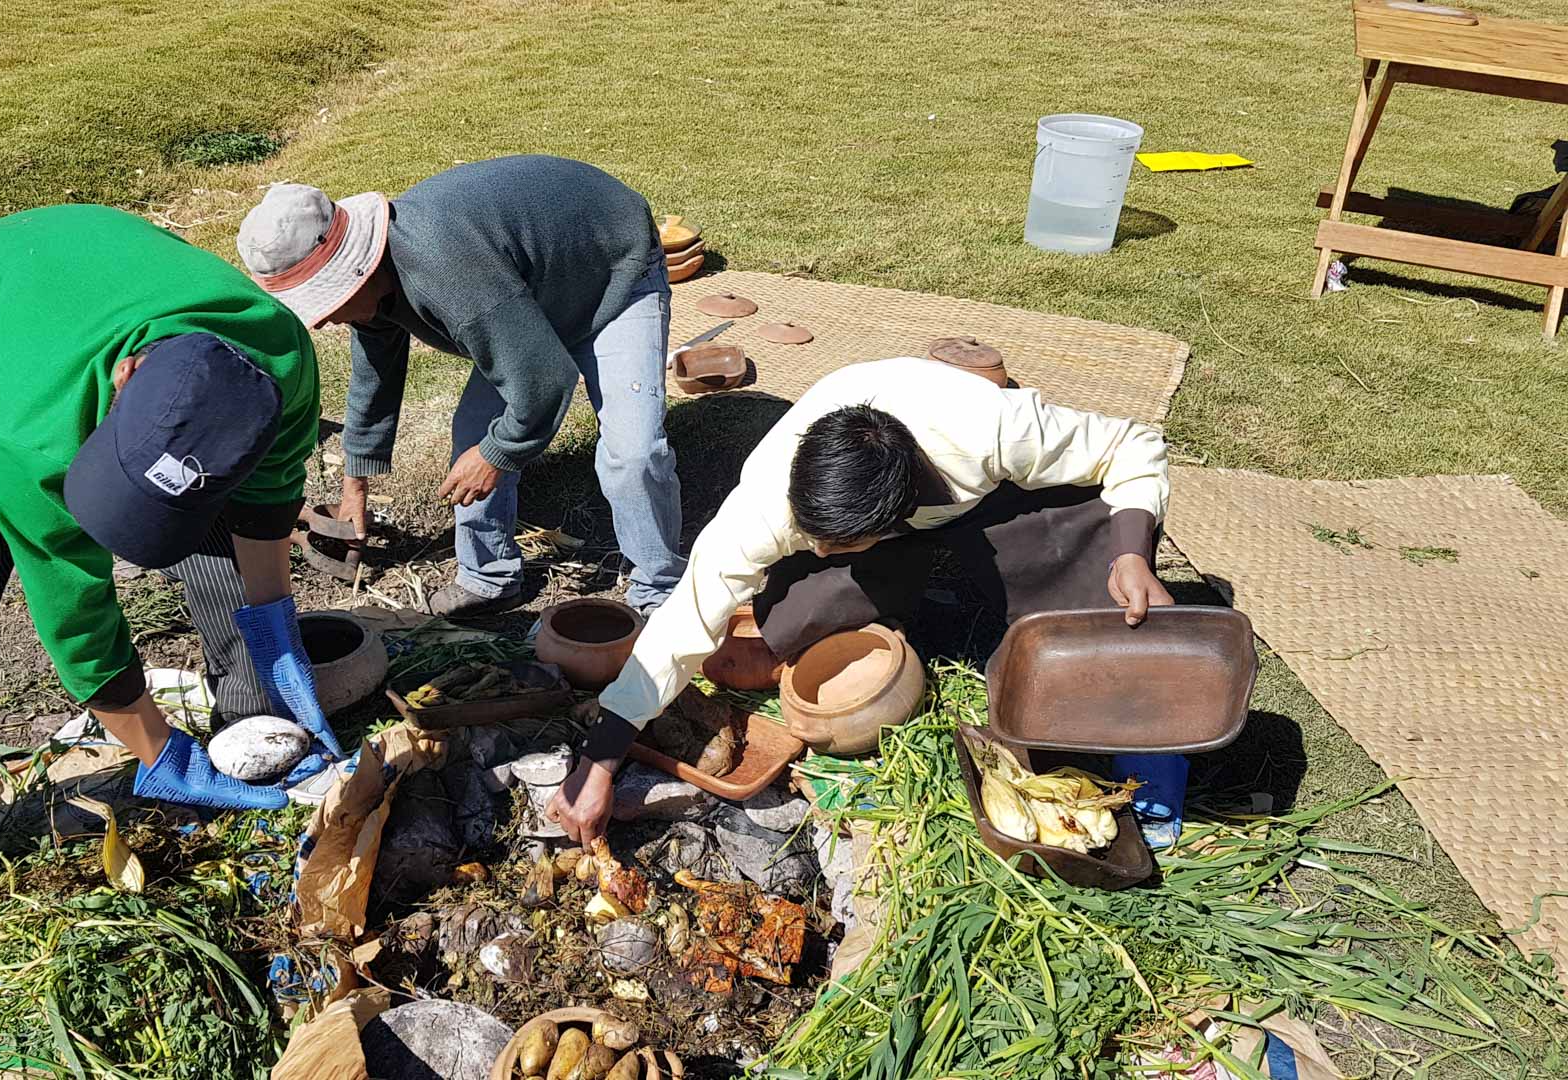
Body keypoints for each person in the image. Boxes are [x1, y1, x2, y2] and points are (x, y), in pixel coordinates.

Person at [0, 204, 339, 974]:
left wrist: (276, 634)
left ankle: (256, 727)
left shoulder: (275, 362)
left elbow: (265, 499)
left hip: (60, 301)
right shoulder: (41, 438)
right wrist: (158, 753)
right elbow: (77, 620)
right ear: (125, 376)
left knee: (218, 537)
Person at [547, 356, 1175, 843]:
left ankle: (1106, 682)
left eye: (834, 544)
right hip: (878, 521)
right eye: (812, 538)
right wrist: (600, 761)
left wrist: (1129, 552)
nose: (819, 551)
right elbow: (684, 619)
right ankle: (896, 597)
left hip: (985, 499)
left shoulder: (991, 429)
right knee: (790, 617)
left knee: (1082, 560)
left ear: (891, 517)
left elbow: (1132, 444)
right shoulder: (767, 500)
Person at [234, 155, 686, 617]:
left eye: (324, 302)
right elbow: (375, 377)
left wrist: (497, 454)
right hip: (526, 288)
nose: (321, 320)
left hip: (613, 268)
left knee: (632, 455)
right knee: (472, 434)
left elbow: (547, 380)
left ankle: (660, 590)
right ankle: (489, 578)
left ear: (358, 270)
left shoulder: (446, 273)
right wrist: (356, 482)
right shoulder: (377, 284)